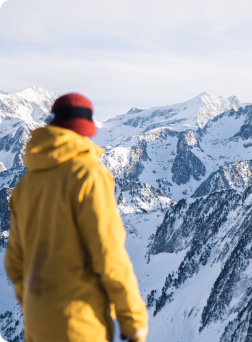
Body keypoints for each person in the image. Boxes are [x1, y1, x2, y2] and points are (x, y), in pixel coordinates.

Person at [4, 93, 149, 342]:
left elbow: (15, 262)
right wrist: (132, 317)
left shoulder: (26, 184)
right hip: (80, 322)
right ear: (86, 130)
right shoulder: (88, 175)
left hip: (36, 325)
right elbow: (108, 253)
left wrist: (33, 303)